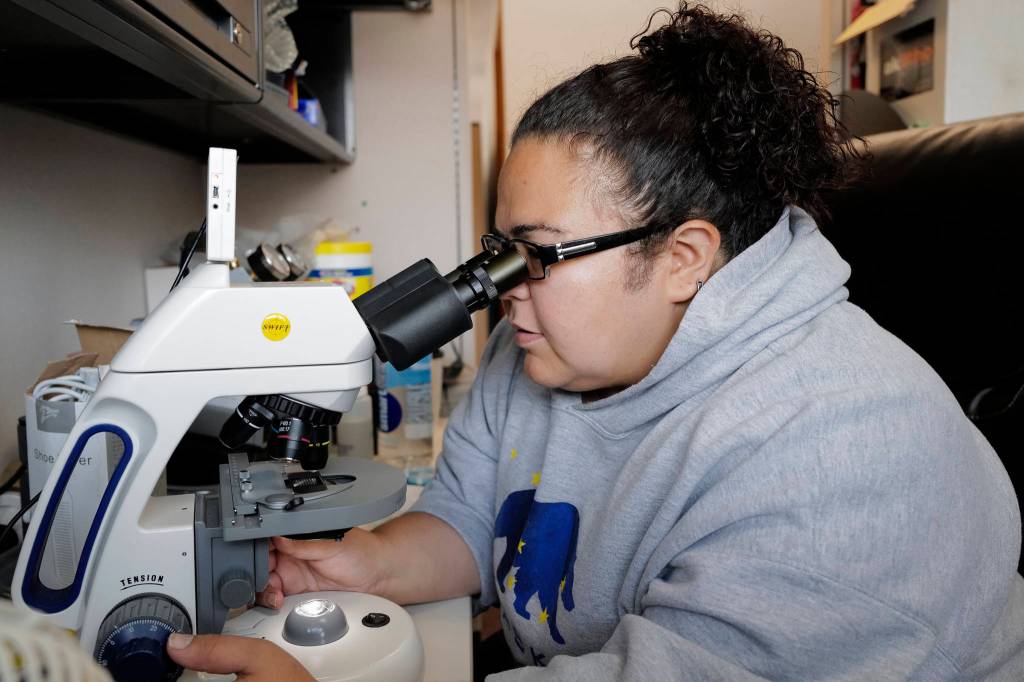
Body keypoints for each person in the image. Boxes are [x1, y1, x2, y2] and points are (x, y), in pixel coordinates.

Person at [172, 3, 1024, 680]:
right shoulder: (544, 346)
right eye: (499, 252)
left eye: (535, 255)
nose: (505, 292)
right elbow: (473, 515)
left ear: (684, 258)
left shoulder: (848, 451)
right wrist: (373, 565)